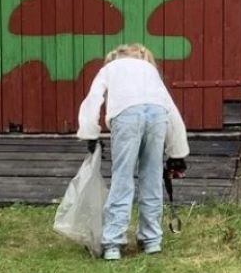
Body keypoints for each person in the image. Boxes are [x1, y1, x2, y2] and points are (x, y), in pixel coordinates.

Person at [77, 43, 189, 260]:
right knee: (152, 176)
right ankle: (151, 240)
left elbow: (93, 100)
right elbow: (170, 109)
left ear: (115, 56)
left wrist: (90, 134)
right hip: (157, 114)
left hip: (126, 114)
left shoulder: (110, 68)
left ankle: (112, 242)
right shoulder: (150, 70)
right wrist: (177, 152)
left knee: (123, 177)